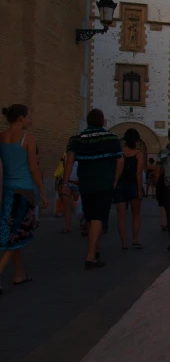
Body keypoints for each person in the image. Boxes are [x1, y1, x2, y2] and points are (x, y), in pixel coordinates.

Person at [62, 109, 123, 269]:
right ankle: (90, 256)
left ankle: (95, 250)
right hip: (104, 183)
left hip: (86, 183)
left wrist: (65, 182)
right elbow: (120, 161)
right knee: (98, 218)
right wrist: (115, 180)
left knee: (90, 217)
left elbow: (69, 161)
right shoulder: (111, 138)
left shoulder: (78, 138)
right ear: (102, 121)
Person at [0, 104, 48, 294]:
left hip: (7, 191)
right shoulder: (28, 138)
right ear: (20, 118)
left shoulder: (1, 137)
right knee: (18, 233)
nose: (31, 120)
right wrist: (43, 193)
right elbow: (33, 169)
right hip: (23, 191)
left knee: (12, 233)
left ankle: (19, 273)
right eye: (29, 117)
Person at [114, 129, 144, 251]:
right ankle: (135, 240)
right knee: (136, 215)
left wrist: (115, 182)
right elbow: (138, 173)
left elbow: (117, 168)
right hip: (133, 186)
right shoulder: (139, 154)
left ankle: (124, 243)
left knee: (121, 216)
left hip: (120, 186)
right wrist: (140, 190)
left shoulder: (119, 152)